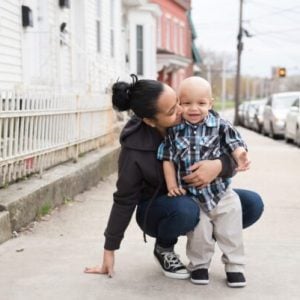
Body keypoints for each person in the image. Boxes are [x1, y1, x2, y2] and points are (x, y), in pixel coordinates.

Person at [84, 74, 263, 281]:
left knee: (250, 203)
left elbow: (233, 153)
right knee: (187, 209)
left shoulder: (202, 119)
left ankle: (205, 237)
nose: (182, 110)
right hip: (162, 209)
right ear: (150, 121)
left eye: (178, 101)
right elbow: (124, 199)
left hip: (202, 193)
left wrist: (219, 166)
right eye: (173, 110)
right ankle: (164, 247)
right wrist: (109, 249)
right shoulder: (135, 150)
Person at [157, 77, 250, 287]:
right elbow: (167, 160)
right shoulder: (174, 131)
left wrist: (241, 154)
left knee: (230, 230)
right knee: (199, 234)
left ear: (211, 103)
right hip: (192, 195)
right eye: (187, 103)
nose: (194, 108)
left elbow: (235, 143)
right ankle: (199, 265)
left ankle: (235, 266)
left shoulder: (220, 125)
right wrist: (172, 185)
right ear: (179, 103)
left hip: (221, 192)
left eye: (201, 103)